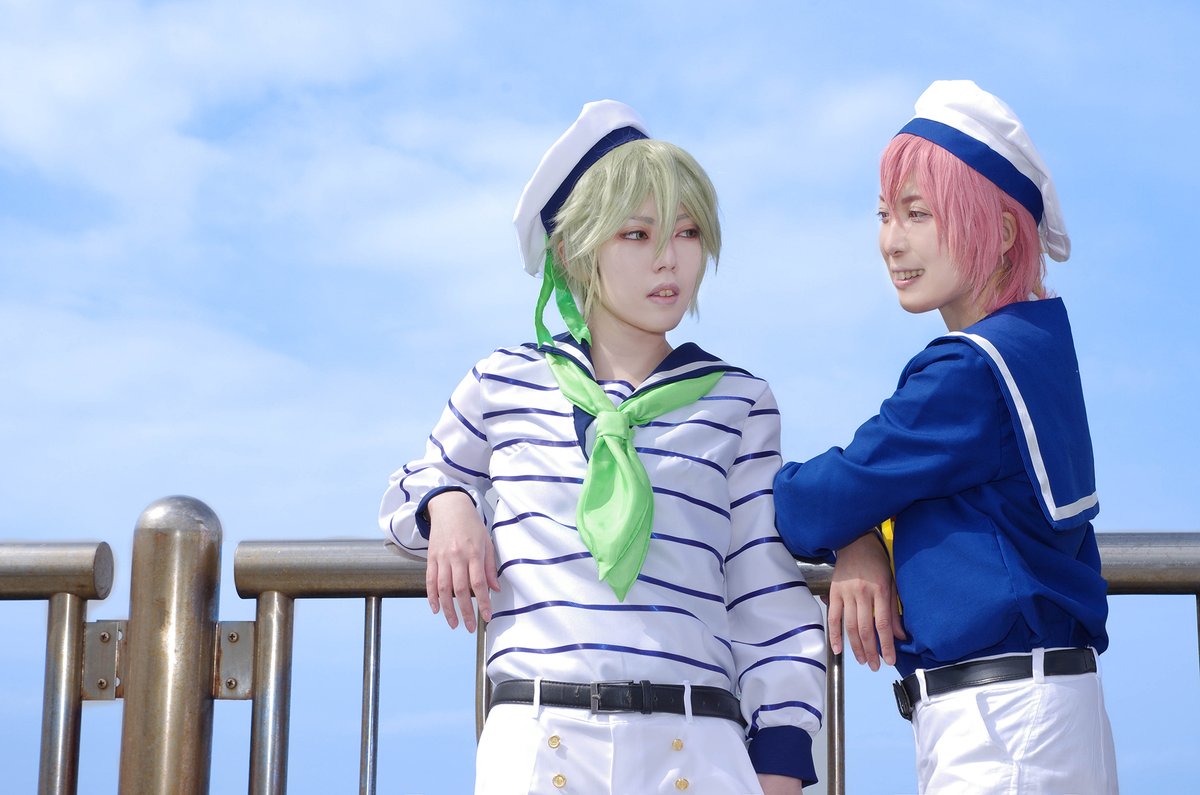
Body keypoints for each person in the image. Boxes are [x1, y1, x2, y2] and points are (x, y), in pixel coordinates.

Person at [380, 100, 826, 794]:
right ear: (573, 250)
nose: (668, 257)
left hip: (696, 741)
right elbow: (407, 490)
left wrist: (781, 755)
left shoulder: (738, 401)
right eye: (636, 234)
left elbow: (763, 587)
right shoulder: (503, 381)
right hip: (539, 739)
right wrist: (449, 502)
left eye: (687, 232)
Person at [772, 80, 1119, 794]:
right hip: (1042, 713)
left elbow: (812, 502)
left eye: (919, 214)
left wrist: (847, 522)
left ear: (1002, 232)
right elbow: (866, 496)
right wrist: (861, 536)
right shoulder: (1034, 346)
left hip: (1003, 724)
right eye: (884, 214)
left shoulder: (967, 373)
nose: (891, 241)